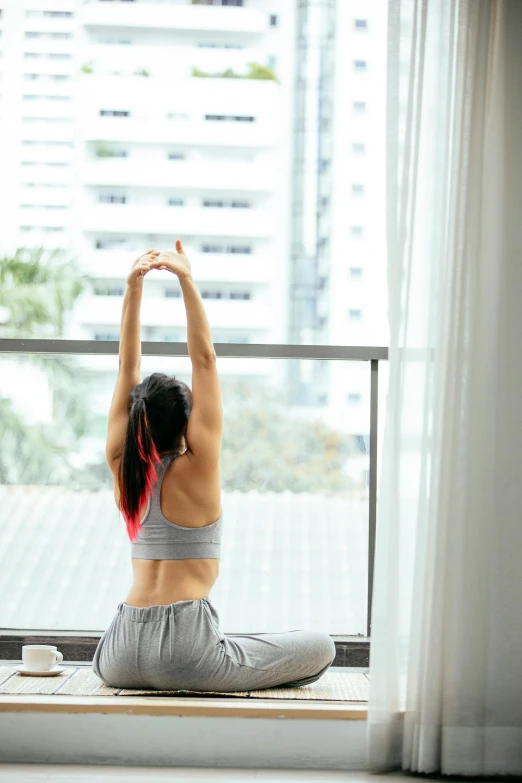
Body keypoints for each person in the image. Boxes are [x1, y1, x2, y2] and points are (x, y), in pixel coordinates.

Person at [92, 240, 336, 692]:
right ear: (186, 423)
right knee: (320, 646)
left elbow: (127, 366)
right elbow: (204, 358)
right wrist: (186, 278)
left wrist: (133, 288)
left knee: (241, 643)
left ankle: (211, 652)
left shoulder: (122, 466)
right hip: (187, 653)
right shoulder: (197, 465)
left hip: (117, 651)